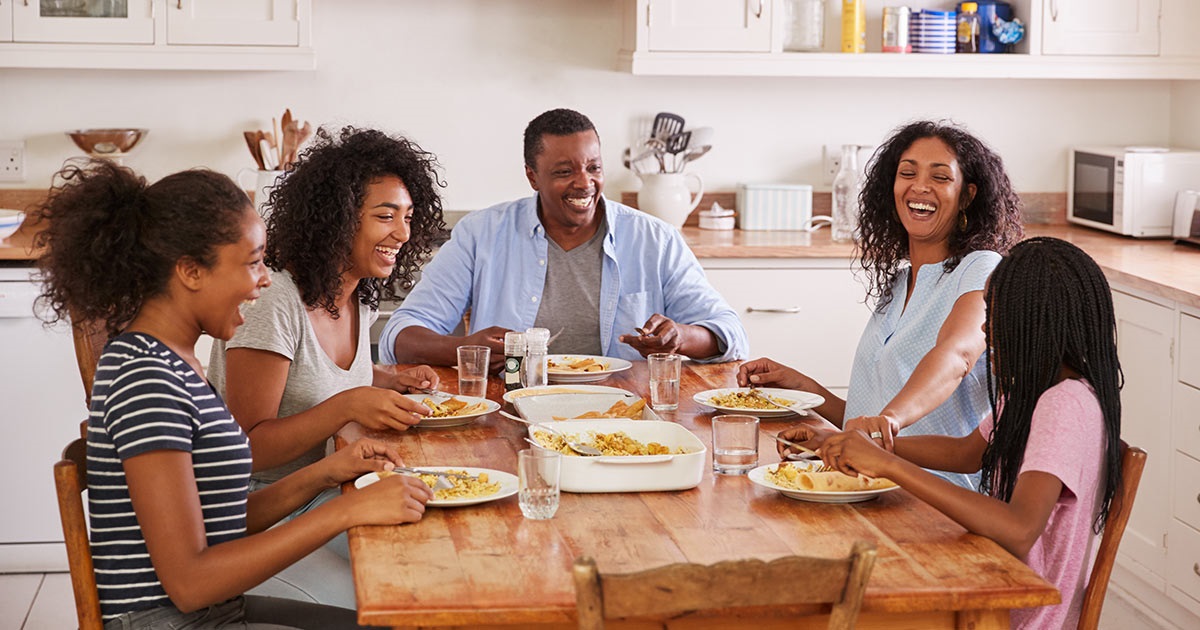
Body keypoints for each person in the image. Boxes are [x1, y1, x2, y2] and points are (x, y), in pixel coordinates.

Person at [33, 160, 433, 628]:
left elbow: (222, 522)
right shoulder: (147, 379)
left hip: (215, 613)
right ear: (190, 271)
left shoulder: (175, 362)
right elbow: (190, 584)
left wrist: (327, 473)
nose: (265, 280)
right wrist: (346, 510)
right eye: (252, 262)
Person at [806, 237, 1123, 629]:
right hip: (991, 579)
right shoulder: (1033, 390)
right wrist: (862, 447)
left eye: (997, 314)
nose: (986, 328)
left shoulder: (1065, 405)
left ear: (1036, 322)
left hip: (1016, 614)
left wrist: (887, 464)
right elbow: (967, 453)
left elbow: (1019, 530)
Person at [206, 126, 447, 604]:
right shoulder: (274, 300)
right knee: (400, 597)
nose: (403, 233)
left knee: (436, 560)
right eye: (385, 216)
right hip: (259, 515)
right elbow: (248, 447)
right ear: (338, 220)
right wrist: (349, 405)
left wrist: (388, 378)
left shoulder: (359, 295)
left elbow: (313, 373)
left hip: (326, 492)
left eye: (408, 217)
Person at [740, 119, 1024, 489]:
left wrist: (888, 419)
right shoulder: (900, 282)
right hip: (874, 486)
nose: (919, 186)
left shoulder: (981, 268)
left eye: (940, 177)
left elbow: (958, 356)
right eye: (907, 173)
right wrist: (805, 389)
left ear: (968, 195)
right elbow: (871, 426)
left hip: (939, 501)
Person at [378, 108, 748, 367]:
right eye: (564, 171)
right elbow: (400, 337)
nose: (584, 183)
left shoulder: (655, 239)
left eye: (593, 167)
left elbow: (730, 334)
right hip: (512, 411)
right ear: (532, 176)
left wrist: (680, 337)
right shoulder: (481, 234)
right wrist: (464, 347)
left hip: (626, 414)